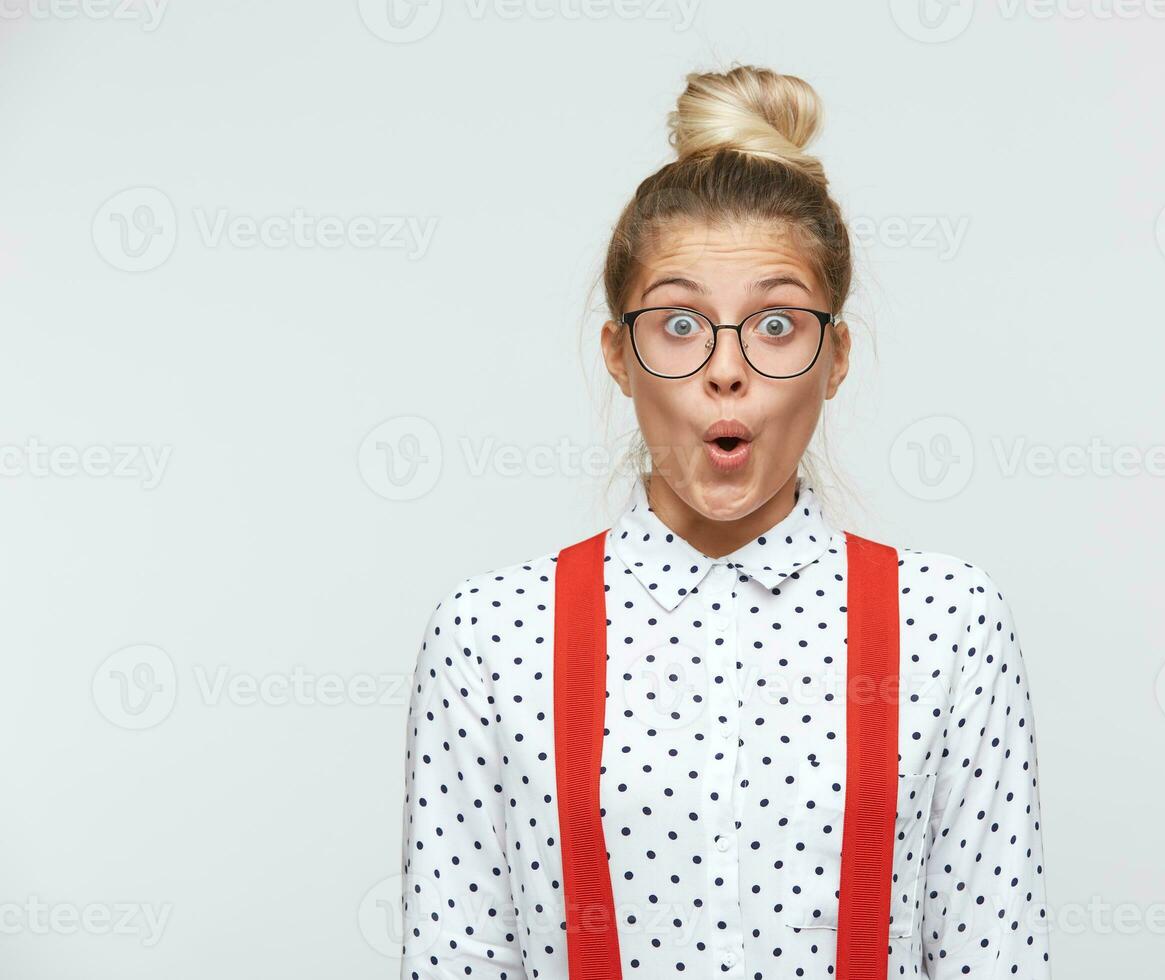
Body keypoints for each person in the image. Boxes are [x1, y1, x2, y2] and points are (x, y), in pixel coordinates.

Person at [400, 64, 1051, 980]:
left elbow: (997, 959)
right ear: (619, 356)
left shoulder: (948, 625)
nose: (726, 370)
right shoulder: (491, 637)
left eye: (777, 325)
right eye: (679, 324)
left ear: (835, 359)